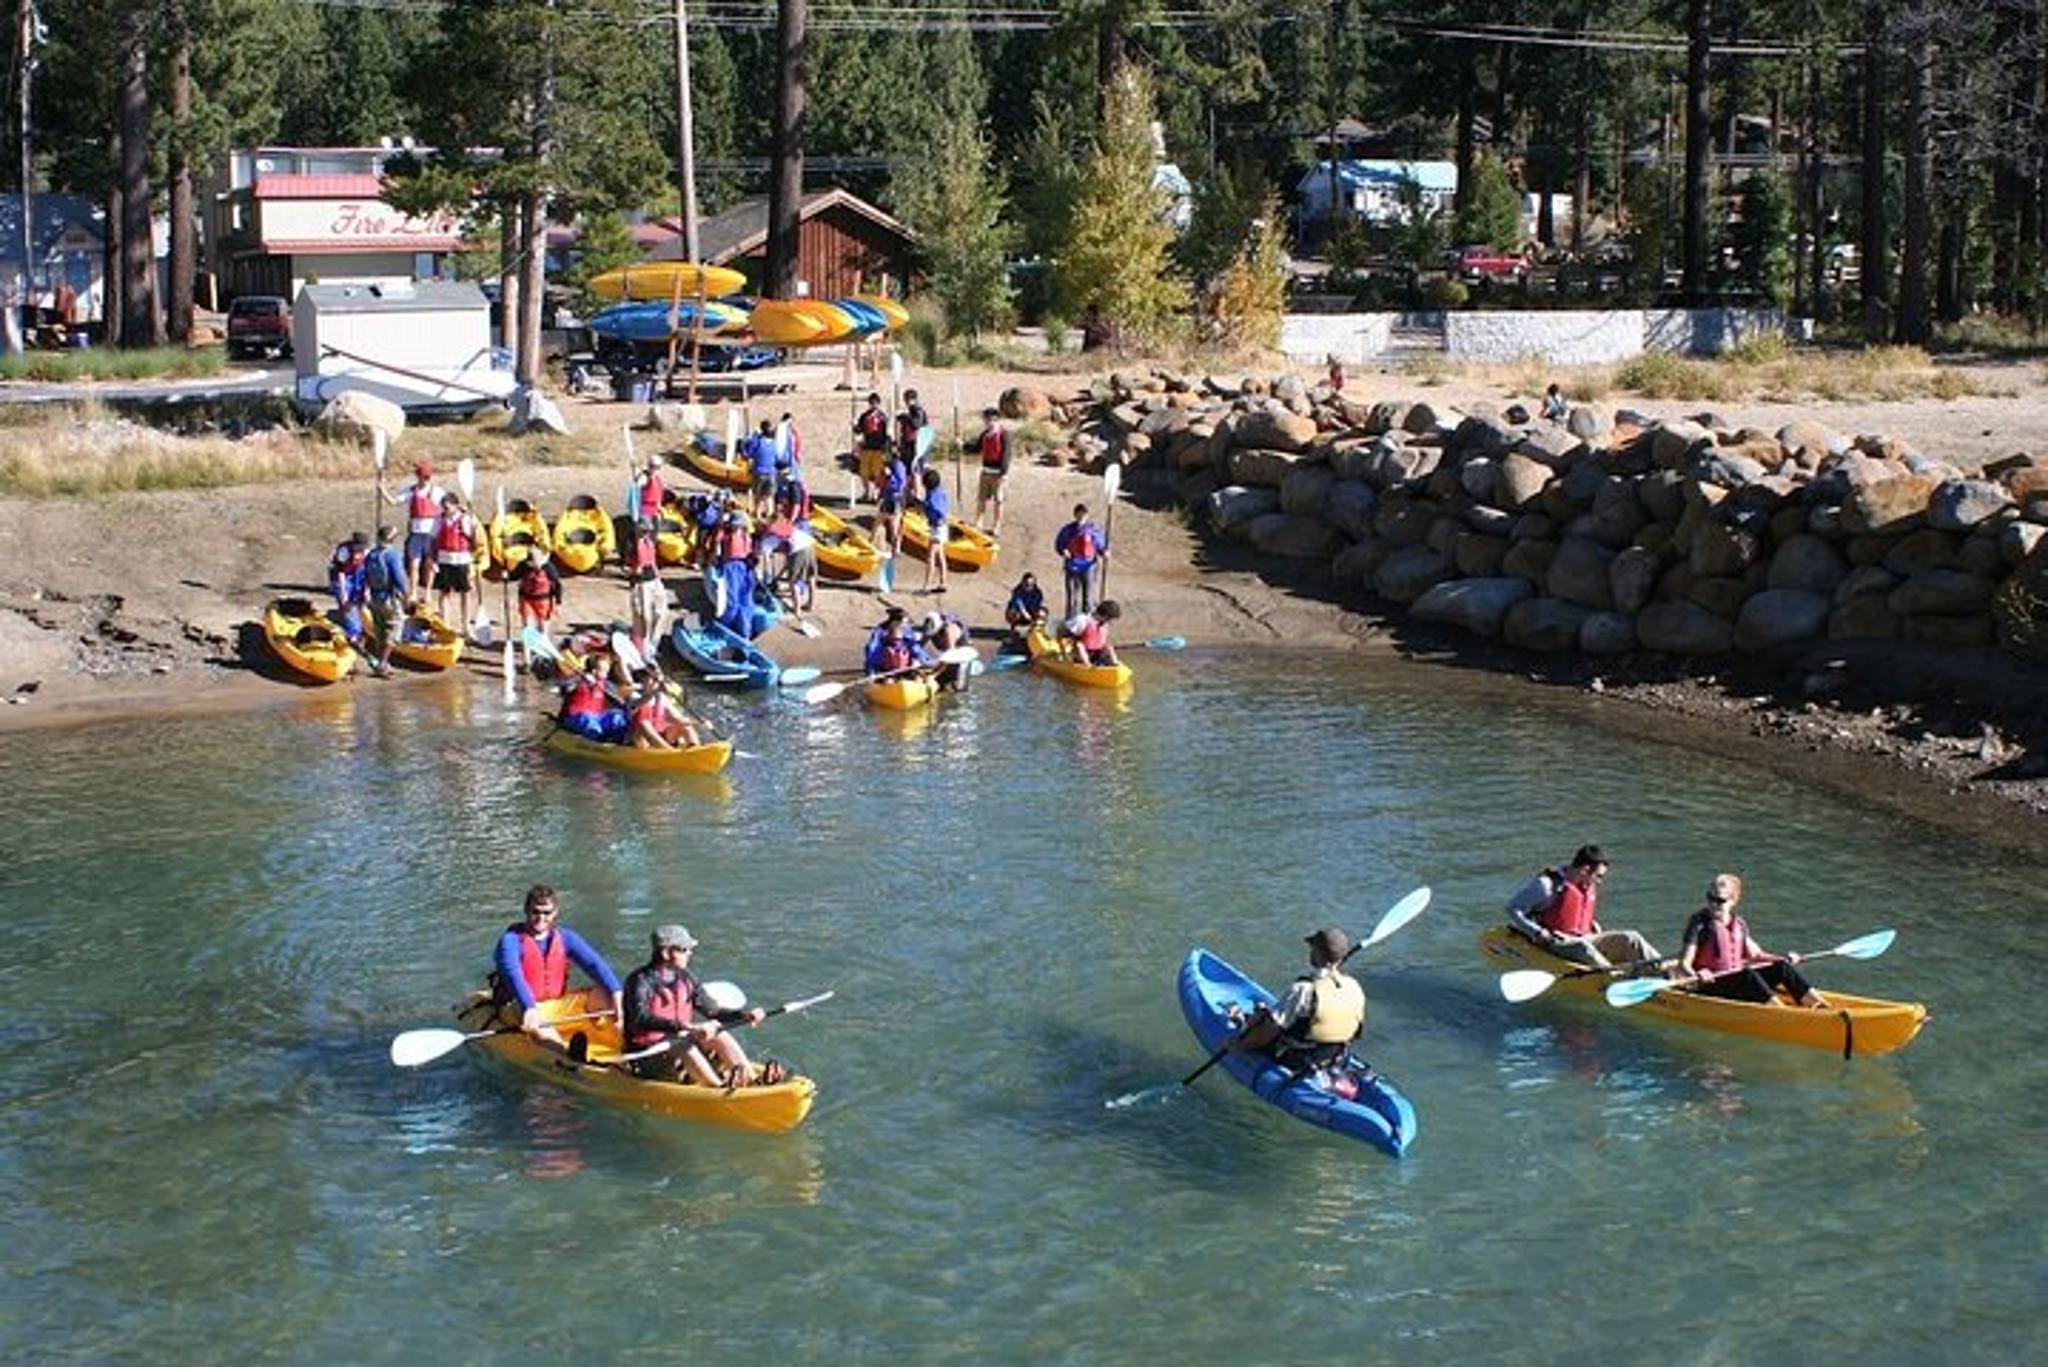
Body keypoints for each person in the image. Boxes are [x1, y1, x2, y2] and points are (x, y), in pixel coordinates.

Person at [621, 925, 787, 1087]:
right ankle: (718, 1088)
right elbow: (640, 1019)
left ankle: (752, 1081)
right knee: (681, 1043)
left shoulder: (686, 978)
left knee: (718, 1033)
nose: (690, 953)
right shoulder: (640, 981)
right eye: (684, 949)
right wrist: (685, 1026)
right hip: (645, 1056)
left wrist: (744, 1015)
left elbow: (712, 1011)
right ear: (666, 952)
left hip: (677, 1045)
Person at [1227, 927, 1368, 1085]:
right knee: (1271, 1013)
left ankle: (1238, 1018)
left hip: (1299, 1059)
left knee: (1260, 1019)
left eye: (1313, 948)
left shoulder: (1304, 989)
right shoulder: (1353, 986)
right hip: (1336, 1056)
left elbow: (1267, 1033)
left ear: (1318, 953)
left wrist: (1239, 1044)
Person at [492, 884, 623, 1048]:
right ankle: (567, 1058)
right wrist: (529, 1007)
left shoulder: (565, 938)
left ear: (555, 912)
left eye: (547, 913)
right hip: (520, 1006)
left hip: (555, 1004)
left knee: (605, 994)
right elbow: (513, 975)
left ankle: (627, 1043)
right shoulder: (511, 941)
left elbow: (595, 964)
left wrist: (616, 993)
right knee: (539, 1022)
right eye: (535, 912)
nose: (541, 918)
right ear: (526, 910)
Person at [1676, 873, 1831, 1008]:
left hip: (1737, 983)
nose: (1713, 903)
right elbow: (1684, 964)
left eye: (1719, 900)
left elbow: (1756, 955)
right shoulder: (1699, 923)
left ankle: (1816, 1004)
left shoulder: (1739, 924)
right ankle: (1780, 1012)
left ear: (1734, 900)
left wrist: (1786, 959)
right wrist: (1698, 974)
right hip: (1710, 985)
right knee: (1747, 974)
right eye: (1710, 897)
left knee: (1781, 966)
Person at [1513, 844, 1662, 970]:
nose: (1600, 882)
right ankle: (1615, 977)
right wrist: (1536, 931)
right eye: (1598, 876)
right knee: (1583, 946)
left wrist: (1591, 923)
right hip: (1557, 942)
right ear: (1585, 870)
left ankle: (1664, 970)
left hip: (1585, 938)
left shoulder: (1585, 885)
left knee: (1631, 937)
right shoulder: (1546, 885)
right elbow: (1513, 908)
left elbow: (1576, 912)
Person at [388, 461, 444, 605]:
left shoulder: (437, 492)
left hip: (432, 534)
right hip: (416, 533)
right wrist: (383, 490)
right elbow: (394, 502)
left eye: (427, 477)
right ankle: (413, 592)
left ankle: (428, 593)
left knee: (430, 565)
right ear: (417, 476)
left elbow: (448, 506)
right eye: (422, 477)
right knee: (414, 564)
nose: (425, 480)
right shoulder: (411, 491)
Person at [432, 493, 483, 634]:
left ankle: (465, 626)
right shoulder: (439, 520)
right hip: (444, 560)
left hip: (462, 560)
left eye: (447, 507)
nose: (445, 510)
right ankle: (446, 625)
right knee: (444, 593)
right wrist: (432, 560)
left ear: (455, 506)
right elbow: (433, 541)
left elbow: (475, 540)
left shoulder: (465, 519)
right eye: (443, 507)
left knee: (465, 593)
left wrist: (474, 526)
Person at [363, 526, 410, 677]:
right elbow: (400, 578)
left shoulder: (371, 554)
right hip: (390, 598)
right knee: (393, 630)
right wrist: (407, 596)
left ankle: (379, 661)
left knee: (379, 629)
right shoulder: (392, 555)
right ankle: (382, 664)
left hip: (374, 597)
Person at [1054, 503, 1108, 619]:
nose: (1081, 517)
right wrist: (1063, 551)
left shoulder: (1092, 529)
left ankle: (1087, 624)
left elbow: (1099, 545)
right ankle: (1070, 623)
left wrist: (1104, 552)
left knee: (1088, 598)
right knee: (1072, 598)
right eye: (1078, 515)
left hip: (1089, 566)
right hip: (1072, 566)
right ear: (1075, 515)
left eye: (1083, 515)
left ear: (1087, 515)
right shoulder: (1067, 530)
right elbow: (1059, 544)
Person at [558, 655, 629, 743]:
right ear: (594, 671)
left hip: (596, 718)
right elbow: (563, 688)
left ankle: (616, 742)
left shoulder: (607, 685)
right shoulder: (577, 680)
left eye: (607, 671)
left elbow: (620, 702)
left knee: (618, 716)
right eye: (604, 671)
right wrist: (580, 679)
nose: (607, 674)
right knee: (587, 719)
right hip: (574, 718)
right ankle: (596, 742)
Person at [625, 520, 669, 644]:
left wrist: (658, 577)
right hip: (640, 583)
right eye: (644, 531)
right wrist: (634, 571)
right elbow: (625, 567)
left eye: (648, 531)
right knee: (644, 616)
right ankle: (642, 642)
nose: (646, 534)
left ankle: (654, 641)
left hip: (654, 580)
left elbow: (653, 560)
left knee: (661, 612)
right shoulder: (631, 544)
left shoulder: (649, 542)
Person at [972, 407, 1011, 534]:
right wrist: (962, 445)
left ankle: (997, 525)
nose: (987, 423)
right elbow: (976, 449)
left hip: (998, 474)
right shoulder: (985, 434)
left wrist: (1003, 472)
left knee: (998, 501)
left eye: (988, 420)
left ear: (995, 420)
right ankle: (979, 522)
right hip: (985, 471)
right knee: (981, 498)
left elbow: (1006, 454)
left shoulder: (1004, 434)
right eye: (985, 420)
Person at [328, 531, 370, 644]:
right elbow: (340, 573)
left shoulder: (367, 552)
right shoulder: (344, 551)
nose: (359, 551)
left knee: (360, 601)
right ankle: (354, 633)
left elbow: (367, 572)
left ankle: (362, 625)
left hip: (358, 574)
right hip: (343, 577)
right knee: (348, 606)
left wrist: (366, 590)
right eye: (358, 548)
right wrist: (344, 596)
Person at [515, 544, 563, 638]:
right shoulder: (523, 565)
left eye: (538, 563)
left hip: (544, 600)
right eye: (533, 563)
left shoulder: (549, 567)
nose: (536, 566)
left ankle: (542, 647)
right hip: (526, 599)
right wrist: (506, 575)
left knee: (543, 626)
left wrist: (558, 603)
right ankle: (527, 651)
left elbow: (558, 585)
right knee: (527, 626)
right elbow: (514, 575)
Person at [1060, 598, 1121, 667]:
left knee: (1109, 647)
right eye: (1109, 619)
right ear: (1105, 616)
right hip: (1081, 654)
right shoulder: (1082, 620)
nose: (1109, 622)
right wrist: (1064, 653)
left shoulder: (1104, 624)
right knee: (1079, 645)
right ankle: (1088, 666)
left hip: (1096, 652)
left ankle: (1115, 664)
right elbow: (1063, 632)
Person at [918, 466, 950, 595]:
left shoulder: (931, 498)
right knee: (940, 555)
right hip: (941, 528)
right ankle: (943, 582)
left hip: (937, 528)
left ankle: (926, 585)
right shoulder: (940, 491)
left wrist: (924, 507)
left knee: (930, 557)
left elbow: (936, 510)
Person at [854, 391, 890, 500]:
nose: (873, 405)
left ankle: (876, 492)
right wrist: (854, 426)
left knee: (877, 473)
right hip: (867, 447)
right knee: (864, 472)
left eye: (875, 403)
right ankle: (866, 492)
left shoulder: (882, 417)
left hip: (878, 448)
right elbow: (858, 431)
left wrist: (886, 447)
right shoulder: (864, 416)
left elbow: (885, 433)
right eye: (871, 402)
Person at [923, 610, 971, 691]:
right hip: (945, 658)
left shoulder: (950, 630)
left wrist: (934, 674)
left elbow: (950, 656)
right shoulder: (929, 627)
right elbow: (919, 646)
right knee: (941, 684)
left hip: (960, 660)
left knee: (958, 687)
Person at [1003, 572, 1045, 652]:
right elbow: (1017, 603)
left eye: (1031, 584)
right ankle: (1012, 633)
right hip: (1019, 613)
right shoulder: (1017, 591)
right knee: (1013, 613)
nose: (1028, 586)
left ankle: (1036, 633)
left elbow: (1037, 605)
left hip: (1031, 612)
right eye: (1026, 584)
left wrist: (1034, 613)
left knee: (1042, 613)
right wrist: (1024, 613)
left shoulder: (1038, 593)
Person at [745, 419, 779, 518]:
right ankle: (769, 515)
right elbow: (776, 457)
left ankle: (758, 515)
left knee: (758, 496)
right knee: (769, 496)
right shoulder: (773, 443)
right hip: (771, 473)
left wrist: (754, 437)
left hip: (759, 472)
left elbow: (749, 453)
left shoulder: (758, 442)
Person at [896, 388, 928, 472]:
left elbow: (916, 424)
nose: (906, 403)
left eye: (907, 400)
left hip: (916, 445)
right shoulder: (912, 410)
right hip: (908, 444)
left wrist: (904, 416)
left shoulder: (917, 410)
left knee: (916, 471)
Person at [630, 453, 666, 527]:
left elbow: (657, 495)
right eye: (653, 466)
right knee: (645, 530)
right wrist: (636, 474)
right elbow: (636, 485)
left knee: (654, 530)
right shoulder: (644, 477)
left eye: (657, 467)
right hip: (645, 510)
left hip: (654, 509)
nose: (655, 469)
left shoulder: (657, 479)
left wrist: (659, 507)